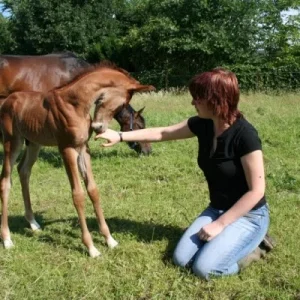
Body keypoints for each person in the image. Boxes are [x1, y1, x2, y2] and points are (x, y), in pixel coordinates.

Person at [95, 68, 274, 279]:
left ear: (216, 100)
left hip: (249, 215)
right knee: (181, 260)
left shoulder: (245, 136)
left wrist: (220, 224)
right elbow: (163, 132)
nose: (192, 103)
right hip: (217, 208)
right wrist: (120, 135)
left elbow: (256, 190)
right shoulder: (203, 124)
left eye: (197, 98)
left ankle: (257, 248)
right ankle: (226, 240)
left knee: (205, 269)